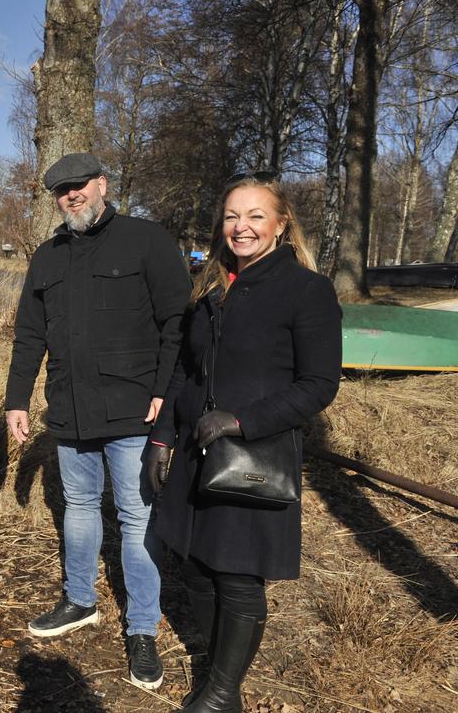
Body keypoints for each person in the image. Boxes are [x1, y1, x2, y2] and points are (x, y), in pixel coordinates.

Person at [146, 173, 341, 712]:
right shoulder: (211, 289)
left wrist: (242, 421)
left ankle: (222, 693)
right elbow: (184, 371)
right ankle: (216, 667)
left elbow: (320, 385)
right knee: (195, 567)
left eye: (256, 215)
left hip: (252, 455)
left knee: (236, 575)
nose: (242, 226)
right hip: (192, 451)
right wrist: (162, 439)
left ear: (281, 225)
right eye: (233, 215)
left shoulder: (307, 291)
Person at [4, 152, 191, 690]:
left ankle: (141, 629)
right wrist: (18, 400)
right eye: (62, 190)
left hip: (135, 410)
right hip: (70, 409)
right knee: (80, 506)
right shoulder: (47, 256)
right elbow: (30, 337)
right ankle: (81, 600)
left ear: (102, 184)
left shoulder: (146, 240)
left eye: (79, 185)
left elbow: (176, 323)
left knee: (136, 518)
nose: (71, 195)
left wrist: (164, 391)